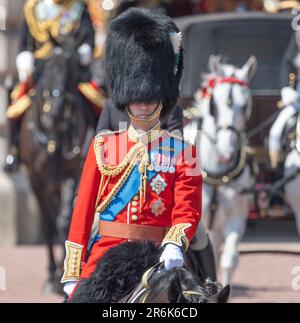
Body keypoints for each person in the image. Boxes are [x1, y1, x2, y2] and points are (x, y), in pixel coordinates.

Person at [61, 8, 216, 299]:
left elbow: (188, 209)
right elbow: (81, 215)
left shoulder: (185, 152)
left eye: (150, 99)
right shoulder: (104, 147)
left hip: (160, 255)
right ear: (126, 99)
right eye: (137, 100)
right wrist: (72, 271)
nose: (144, 106)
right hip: (106, 255)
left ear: (162, 97)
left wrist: (174, 242)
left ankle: (212, 279)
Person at [4, 0, 104, 172]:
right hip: (42, 70)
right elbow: (25, 42)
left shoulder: (79, 8)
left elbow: (89, 38)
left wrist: (84, 50)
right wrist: (25, 58)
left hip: (72, 71)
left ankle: (100, 149)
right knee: (15, 99)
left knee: (98, 102)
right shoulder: (33, 8)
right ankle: (14, 150)